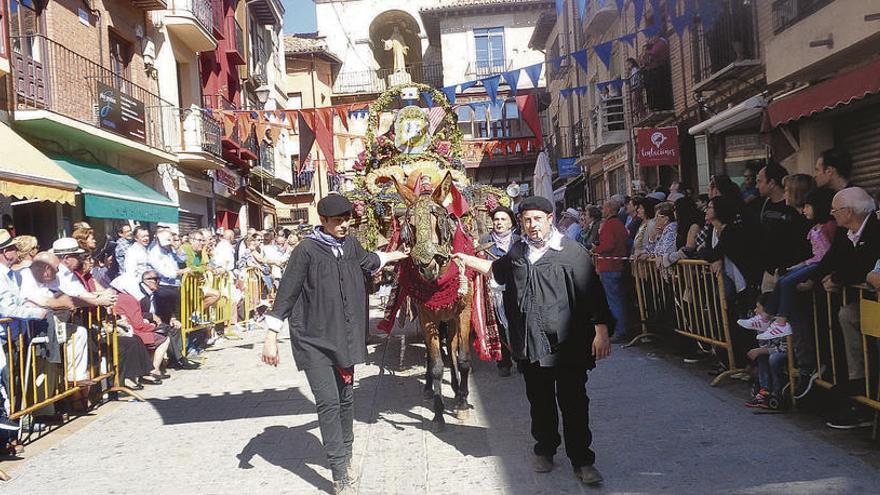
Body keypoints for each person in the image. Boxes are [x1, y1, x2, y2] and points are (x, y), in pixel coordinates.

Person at [454, 195, 611, 487]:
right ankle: (545, 449)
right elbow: (495, 270)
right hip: (532, 343)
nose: (532, 225)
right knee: (539, 402)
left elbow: (593, 292)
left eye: (537, 219)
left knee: (574, 402)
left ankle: (583, 460)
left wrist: (601, 330)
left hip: (568, 344)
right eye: (526, 220)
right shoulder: (517, 253)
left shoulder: (570, 251)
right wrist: (465, 259)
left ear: (550, 218)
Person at [261, 195, 407, 495]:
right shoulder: (306, 251)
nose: (344, 225)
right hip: (313, 339)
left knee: (346, 399)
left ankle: (348, 453)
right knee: (327, 401)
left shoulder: (350, 245)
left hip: (344, 338)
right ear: (323, 221)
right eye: (337, 221)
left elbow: (368, 260)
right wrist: (271, 337)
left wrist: (394, 256)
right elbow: (286, 294)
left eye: (347, 219)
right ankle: (339, 471)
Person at [814, 187, 880, 429]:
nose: (832, 214)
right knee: (847, 314)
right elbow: (834, 261)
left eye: (835, 210)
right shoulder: (847, 233)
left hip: (874, 303)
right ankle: (859, 382)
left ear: (849, 211)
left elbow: (865, 265)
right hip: (869, 303)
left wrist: (838, 277)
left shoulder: (875, 229)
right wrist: (814, 277)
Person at [738, 188, 835, 340]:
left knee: (787, 281)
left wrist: (805, 264)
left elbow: (826, 254)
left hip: (819, 265)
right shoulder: (815, 227)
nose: (804, 210)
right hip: (812, 263)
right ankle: (766, 317)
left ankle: (780, 322)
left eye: (808, 207)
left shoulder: (828, 226)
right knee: (784, 280)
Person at [753, 164, 811, 294]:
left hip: (791, 270)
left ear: (772, 183)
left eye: (760, 181)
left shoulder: (798, 211)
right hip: (770, 271)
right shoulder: (763, 204)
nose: (757, 186)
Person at [479, 206, 519, 377]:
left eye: (503, 219)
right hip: (492, 292)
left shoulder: (519, 241)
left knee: (518, 325)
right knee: (498, 327)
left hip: (515, 289)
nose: (499, 223)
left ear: (511, 223)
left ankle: (522, 358)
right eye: (496, 219)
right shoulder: (484, 241)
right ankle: (504, 362)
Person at [594, 198, 630, 344]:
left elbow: (608, 246)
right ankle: (621, 328)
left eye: (604, 208)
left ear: (609, 210)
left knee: (613, 300)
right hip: (617, 265)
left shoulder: (610, 225)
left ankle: (620, 330)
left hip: (609, 266)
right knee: (618, 300)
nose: (602, 210)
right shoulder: (619, 224)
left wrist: (596, 249)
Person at [743, 294, 788, 411]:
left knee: (774, 358)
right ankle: (765, 391)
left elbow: (785, 348)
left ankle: (777, 392)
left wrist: (761, 350)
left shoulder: (781, 322)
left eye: (758, 307)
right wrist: (761, 351)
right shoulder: (761, 324)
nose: (755, 310)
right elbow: (764, 346)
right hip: (773, 351)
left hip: (786, 353)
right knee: (762, 355)